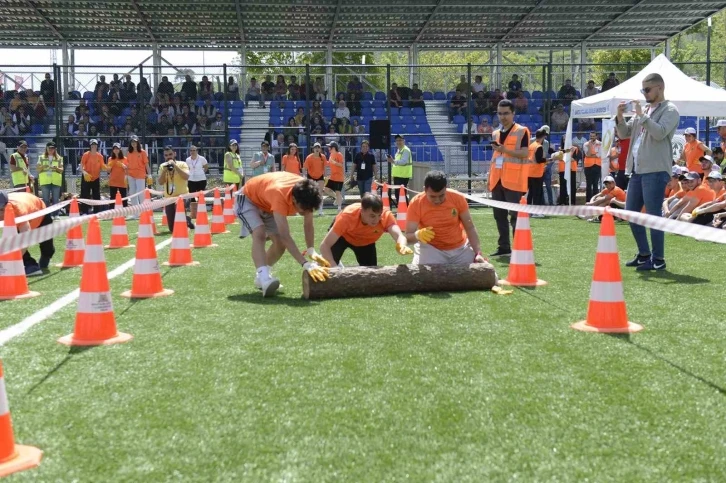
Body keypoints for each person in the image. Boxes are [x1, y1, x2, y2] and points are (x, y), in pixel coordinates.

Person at [616, 72, 679, 271]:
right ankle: (644, 254)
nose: (644, 93)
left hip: (655, 170)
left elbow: (660, 133)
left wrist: (642, 116)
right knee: (631, 213)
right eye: (642, 90)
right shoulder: (644, 110)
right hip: (637, 170)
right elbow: (624, 133)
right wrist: (619, 116)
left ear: (659, 88)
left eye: (647, 89)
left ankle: (658, 259)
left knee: (652, 216)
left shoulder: (670, 109)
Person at [235, 172, 330, 297]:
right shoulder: (279, 194)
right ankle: (263, 277)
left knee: (279, 243)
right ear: (294, 200)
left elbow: (308, 225)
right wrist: (305, 264)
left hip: (267, 202)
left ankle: (262, 277)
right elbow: (286, 235)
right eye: (304, 210)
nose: (306, 213)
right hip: (248, 198)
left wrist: (311, 250)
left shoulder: (307, 194)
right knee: (259, 233)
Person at [405, 171, 487, 265]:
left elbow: (470, 227)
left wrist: (478, 253)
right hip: (431, 248)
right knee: (421, 277)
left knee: (483, 272)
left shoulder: (457, 198)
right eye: (433, 196)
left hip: (460, 248)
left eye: (441, 195)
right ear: (425, 190)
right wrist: (418, 235)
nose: (437, 200)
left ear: (446, 188)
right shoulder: (416, 203)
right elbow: (408, 237)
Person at [319, 193, 411, 268]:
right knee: (326, 265)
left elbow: (399, 236)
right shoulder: (347, 216)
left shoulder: (386, 216)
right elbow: (325, 245)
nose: (376, 220)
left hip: (366, 243)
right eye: (372, 216)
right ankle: (333, 262)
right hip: (343, 236)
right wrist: (334, 268)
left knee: (371, 276)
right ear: (362, 211)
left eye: (379, 215)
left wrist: (401, 245)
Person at [488, 99, 531, 257]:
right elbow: (495, 157)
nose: (503, 116)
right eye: (500, 113)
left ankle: (519, 248)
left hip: (514, 180)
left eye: (506, 113)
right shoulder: (495, 133)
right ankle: (504, 247)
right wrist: (489, 178)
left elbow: (525, 153)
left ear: (513, 113)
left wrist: (504, 149)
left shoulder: (522, 130)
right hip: (497, 179)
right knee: (499, 215)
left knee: (515, 216)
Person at [0, 191, 54, 276]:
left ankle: (45, 257)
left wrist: (13, 259)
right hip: (18, 221)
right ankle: (30, 265)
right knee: (13, 241)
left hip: (40, 212)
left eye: (1, 209)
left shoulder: (18, 209)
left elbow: (26, 236)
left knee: (47, 247)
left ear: (7, 205)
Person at [158, 146, 194, 231]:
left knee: (179, 207)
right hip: (169, 198)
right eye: (166, 155)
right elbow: (160, 182)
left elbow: (186, 177)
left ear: (175, 154)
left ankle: (185, 220)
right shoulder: (162, 166)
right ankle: (187, 220)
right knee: (172, 229)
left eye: (170, 154)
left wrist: (175, 166)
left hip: (183, 196)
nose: (168, 157)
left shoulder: (182, 164)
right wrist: (164, 171)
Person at [126, 135, 151, 218]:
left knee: (141, 193)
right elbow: (128, 164)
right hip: (131, 175)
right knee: (132, 193)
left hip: (140, 174)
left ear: (138, 142)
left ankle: (144, 212)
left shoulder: (143, 152)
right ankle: (136, 213)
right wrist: (126, 175)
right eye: (132, 142)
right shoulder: (129, 153)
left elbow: (146, 164)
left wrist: (149, 174)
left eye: (135, 142)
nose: (134, 143)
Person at [80, 139, 106, 215]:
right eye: (92, 145)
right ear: (90, 146)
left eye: (95, 145)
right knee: (85, 194)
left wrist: (108, 167)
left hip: (96, 177)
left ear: (97, 146)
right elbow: (81, 166)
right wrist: (84, 172)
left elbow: (102, 166)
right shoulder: (86, 154)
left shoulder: (100, 156)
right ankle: (84, 211)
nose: (94, 146)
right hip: (86, 177)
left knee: (96, 195)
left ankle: (96, 212)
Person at [36, 141, 63, 214]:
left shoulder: (59, 158)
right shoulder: (41, 157)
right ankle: (46, 215)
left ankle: (56, 214)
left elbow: (61, 170)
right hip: (45, 181)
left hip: (56, 180)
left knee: (55, 199)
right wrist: (43, 167)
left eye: (53, 148)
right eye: (49, 148)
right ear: (46, 148)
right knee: (46, 200)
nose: (51, 150)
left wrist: (56, 168)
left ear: (55, 149)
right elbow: (38, 169)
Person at [386, 134, 412, 208]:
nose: (398, 142)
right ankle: (403, 210)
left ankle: (406, 210)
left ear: (404, 141)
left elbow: (403, 162)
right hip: (398, 175)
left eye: (400, 140)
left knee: (401, 194)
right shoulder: (399, 150)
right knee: (399, 194)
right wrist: (393, 161)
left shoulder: (405, 150)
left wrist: (393, 161)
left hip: (403, 176)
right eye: (397, 140)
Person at [303, 142, 327, 216]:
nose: (317, 149)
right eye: (315, 147)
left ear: (320, 149)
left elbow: (325, 167)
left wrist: (324, 176)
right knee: (311, 194)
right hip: (311, 176)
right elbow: (305, 168)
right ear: (313, 149)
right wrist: (304, 176)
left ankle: (320, 210)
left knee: (320, 193)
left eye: (318, 147)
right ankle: (310, 209)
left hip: (320, 176)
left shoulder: (323, 157)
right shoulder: (309, 157)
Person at [527, 129, 547, 210]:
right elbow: (539, 160)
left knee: (531, 192)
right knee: (537, 193)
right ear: (543, 136)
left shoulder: (532, 145)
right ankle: (536, 211)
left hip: (530, 171)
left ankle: (527, 208)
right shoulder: (539, 146)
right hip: (536, 173)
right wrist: (550, 159)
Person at [325, 141, 345, 213]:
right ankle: (338, 199)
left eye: (329, 147)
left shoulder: (339, 154)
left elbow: (341, 165)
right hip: (333, 176)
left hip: (339, 177)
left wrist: (334, 162)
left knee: (338, 192)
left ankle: (339, 208)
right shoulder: (330, 155)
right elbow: (329, 164)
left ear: (333, 148)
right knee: (326, 189)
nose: (328, 148)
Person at [582, 132, 602, 203]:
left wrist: (593, 155)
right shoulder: (586, 144)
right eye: (591, 136)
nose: (592, 138)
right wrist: (590, 146)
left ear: (596, 136)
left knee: (596, 184)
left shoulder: (600, 144)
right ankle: (588, 201)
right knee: (588, 184)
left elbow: (599, 155)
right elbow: (587, 154)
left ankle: (595, 201)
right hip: (588, 166)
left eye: (593, 136)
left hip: (597, 166)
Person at [107, 143, 128, 207]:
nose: (116, 150)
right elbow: (108, 171)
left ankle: (124, 212)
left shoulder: (125, 159)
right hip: (113, 181)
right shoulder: (110, 159)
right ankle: (112, 212)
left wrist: (123, 165)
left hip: (122, 181)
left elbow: (127, 170)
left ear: (120, 150)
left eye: (117, 149)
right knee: (112, 198)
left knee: (124, 198)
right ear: (113, 150)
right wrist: (109, 167)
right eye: (114, 149)